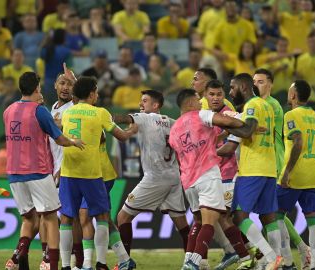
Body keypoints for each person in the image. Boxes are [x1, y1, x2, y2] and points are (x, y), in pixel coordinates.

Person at [3, 71, 84, 270]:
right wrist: (74, 142)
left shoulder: (8, 110)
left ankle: (17, 257)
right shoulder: (40, 111)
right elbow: (59, 138)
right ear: (37, 88)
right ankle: (51, 262)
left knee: (30, 218)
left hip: (13, 174)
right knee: (50, 218)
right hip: (37, 171)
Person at [59, 75, 138, 270]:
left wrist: (76, 81)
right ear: (92, 93)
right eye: (95, 91)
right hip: (92, 174)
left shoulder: (67, 113)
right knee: (101, 217)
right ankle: (102, 263)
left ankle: (67, 265)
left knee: (68, 218)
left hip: (69, 172)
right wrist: (131, 130)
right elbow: (121, 136)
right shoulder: (100, 113)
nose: (98, 94)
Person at [168, 89, 246, 270]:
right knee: (211, 222)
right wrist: (244, 123)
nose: (201, 102)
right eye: (197, 100)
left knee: (199, 221)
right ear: (189, 104)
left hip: (187, 181)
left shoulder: (174, 130)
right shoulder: (200, 115)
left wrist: (224, 134)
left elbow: (195, 148)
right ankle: (193, 262)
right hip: (207, 176)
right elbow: (226, 121)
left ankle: (193, 259)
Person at [114, 90, 190, 258]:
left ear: (156, 105)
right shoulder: (173, 122)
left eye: (145, 101)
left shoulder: (147, 118)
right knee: (182, 225)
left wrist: (105, 118)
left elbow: (124, 119)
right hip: (174, 177)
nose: (141, 104)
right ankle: (195, 261)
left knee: (123, 218)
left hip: (155, 177)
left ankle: (125, 262)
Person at [227, 73, 283, 270]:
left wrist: (223, 127)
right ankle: (276, 259)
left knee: (239, 216)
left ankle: (270, 257)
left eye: (233, 88)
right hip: (268, 168)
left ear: (243, 87)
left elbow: (247, 131)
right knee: (269, 217)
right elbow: (255, 129)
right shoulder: (266, 105)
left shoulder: (251, 105)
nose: (230, 92)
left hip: (253, 169)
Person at [276, 80, 315, 270]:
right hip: (313, 175)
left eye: (290, 91)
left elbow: (297, 142)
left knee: (275, 215)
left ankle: (287, 262)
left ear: (293, 95)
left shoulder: (291, 115)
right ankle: (314, 266)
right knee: (313, 220)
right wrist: (313, 163)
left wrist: (287, 171)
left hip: (294, 175)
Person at [203, 80, 255, 270]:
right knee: (223, 218)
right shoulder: (205, 116)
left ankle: (248, 254)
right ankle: (247, 251)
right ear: (205, 96)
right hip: (212, 174)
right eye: (212, 94)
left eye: (219, 94)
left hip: (228, 173)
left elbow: (243, 124)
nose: (216, 98)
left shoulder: (228, 114)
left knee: (226, 217)